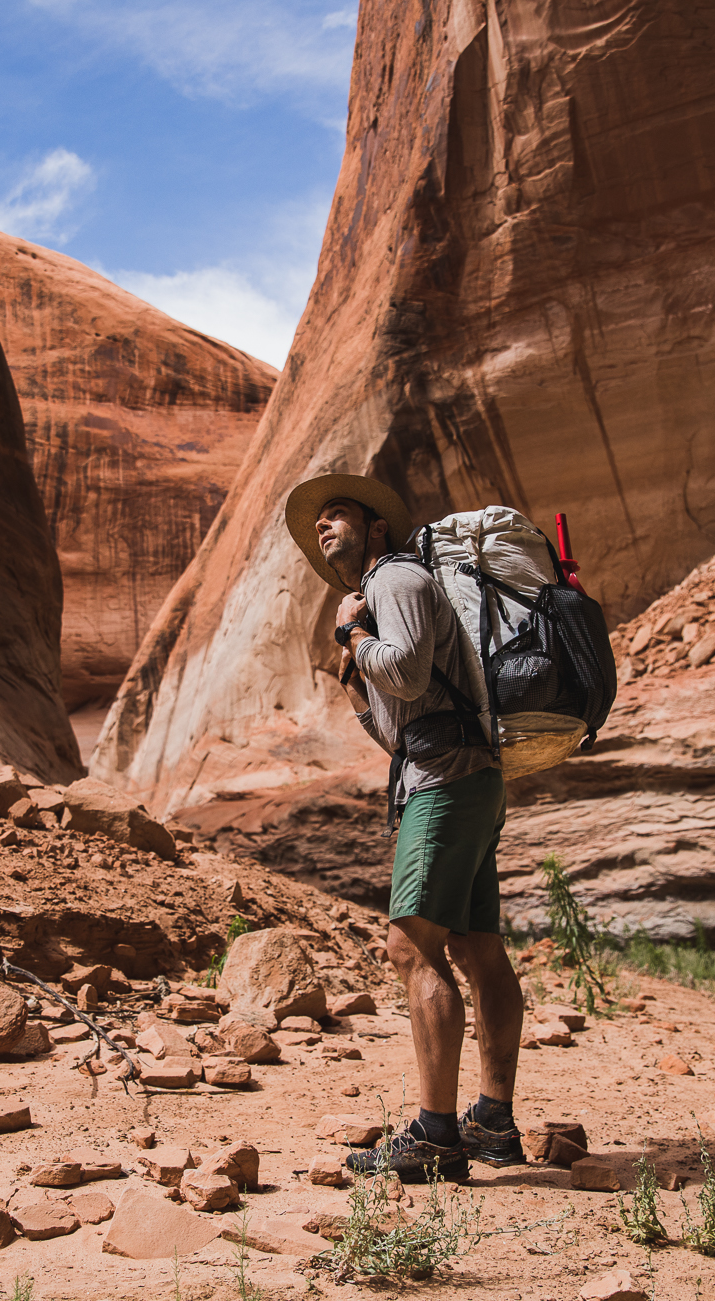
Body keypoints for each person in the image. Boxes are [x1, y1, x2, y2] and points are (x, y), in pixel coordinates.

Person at [282, 473, 527, 1183]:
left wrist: (356, 633)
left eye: (337, 514)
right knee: (479, 947)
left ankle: (435, 1135)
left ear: (376, 526)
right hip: (462, 775)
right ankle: (493, 1122)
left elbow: (412, 676)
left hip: (447, 781)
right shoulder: (386, 592)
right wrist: (357, 687)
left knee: (409, 946)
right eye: (318, 522)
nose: (325, 526)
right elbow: (399, 728)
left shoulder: (394, 579)